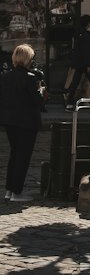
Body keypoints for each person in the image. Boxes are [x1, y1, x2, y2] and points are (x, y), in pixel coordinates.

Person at [1, 43, 45, 202]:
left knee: (14, 155)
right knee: (23, 157)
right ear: (28, 59)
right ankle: (16, 192)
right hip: (26, 122)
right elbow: (36, 101)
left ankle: (9, 190)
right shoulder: (30, 78)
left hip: (10, 121)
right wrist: (41, 91)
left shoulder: (5, 77)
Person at [64, 14, 90, 108]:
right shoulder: (86, 34)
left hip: (79, 62)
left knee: (75, 82)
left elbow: (78, 49)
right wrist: (89, 65)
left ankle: (69, 101)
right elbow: (86, 50)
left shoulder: (77, 33)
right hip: (85, 63)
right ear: (87, 23)